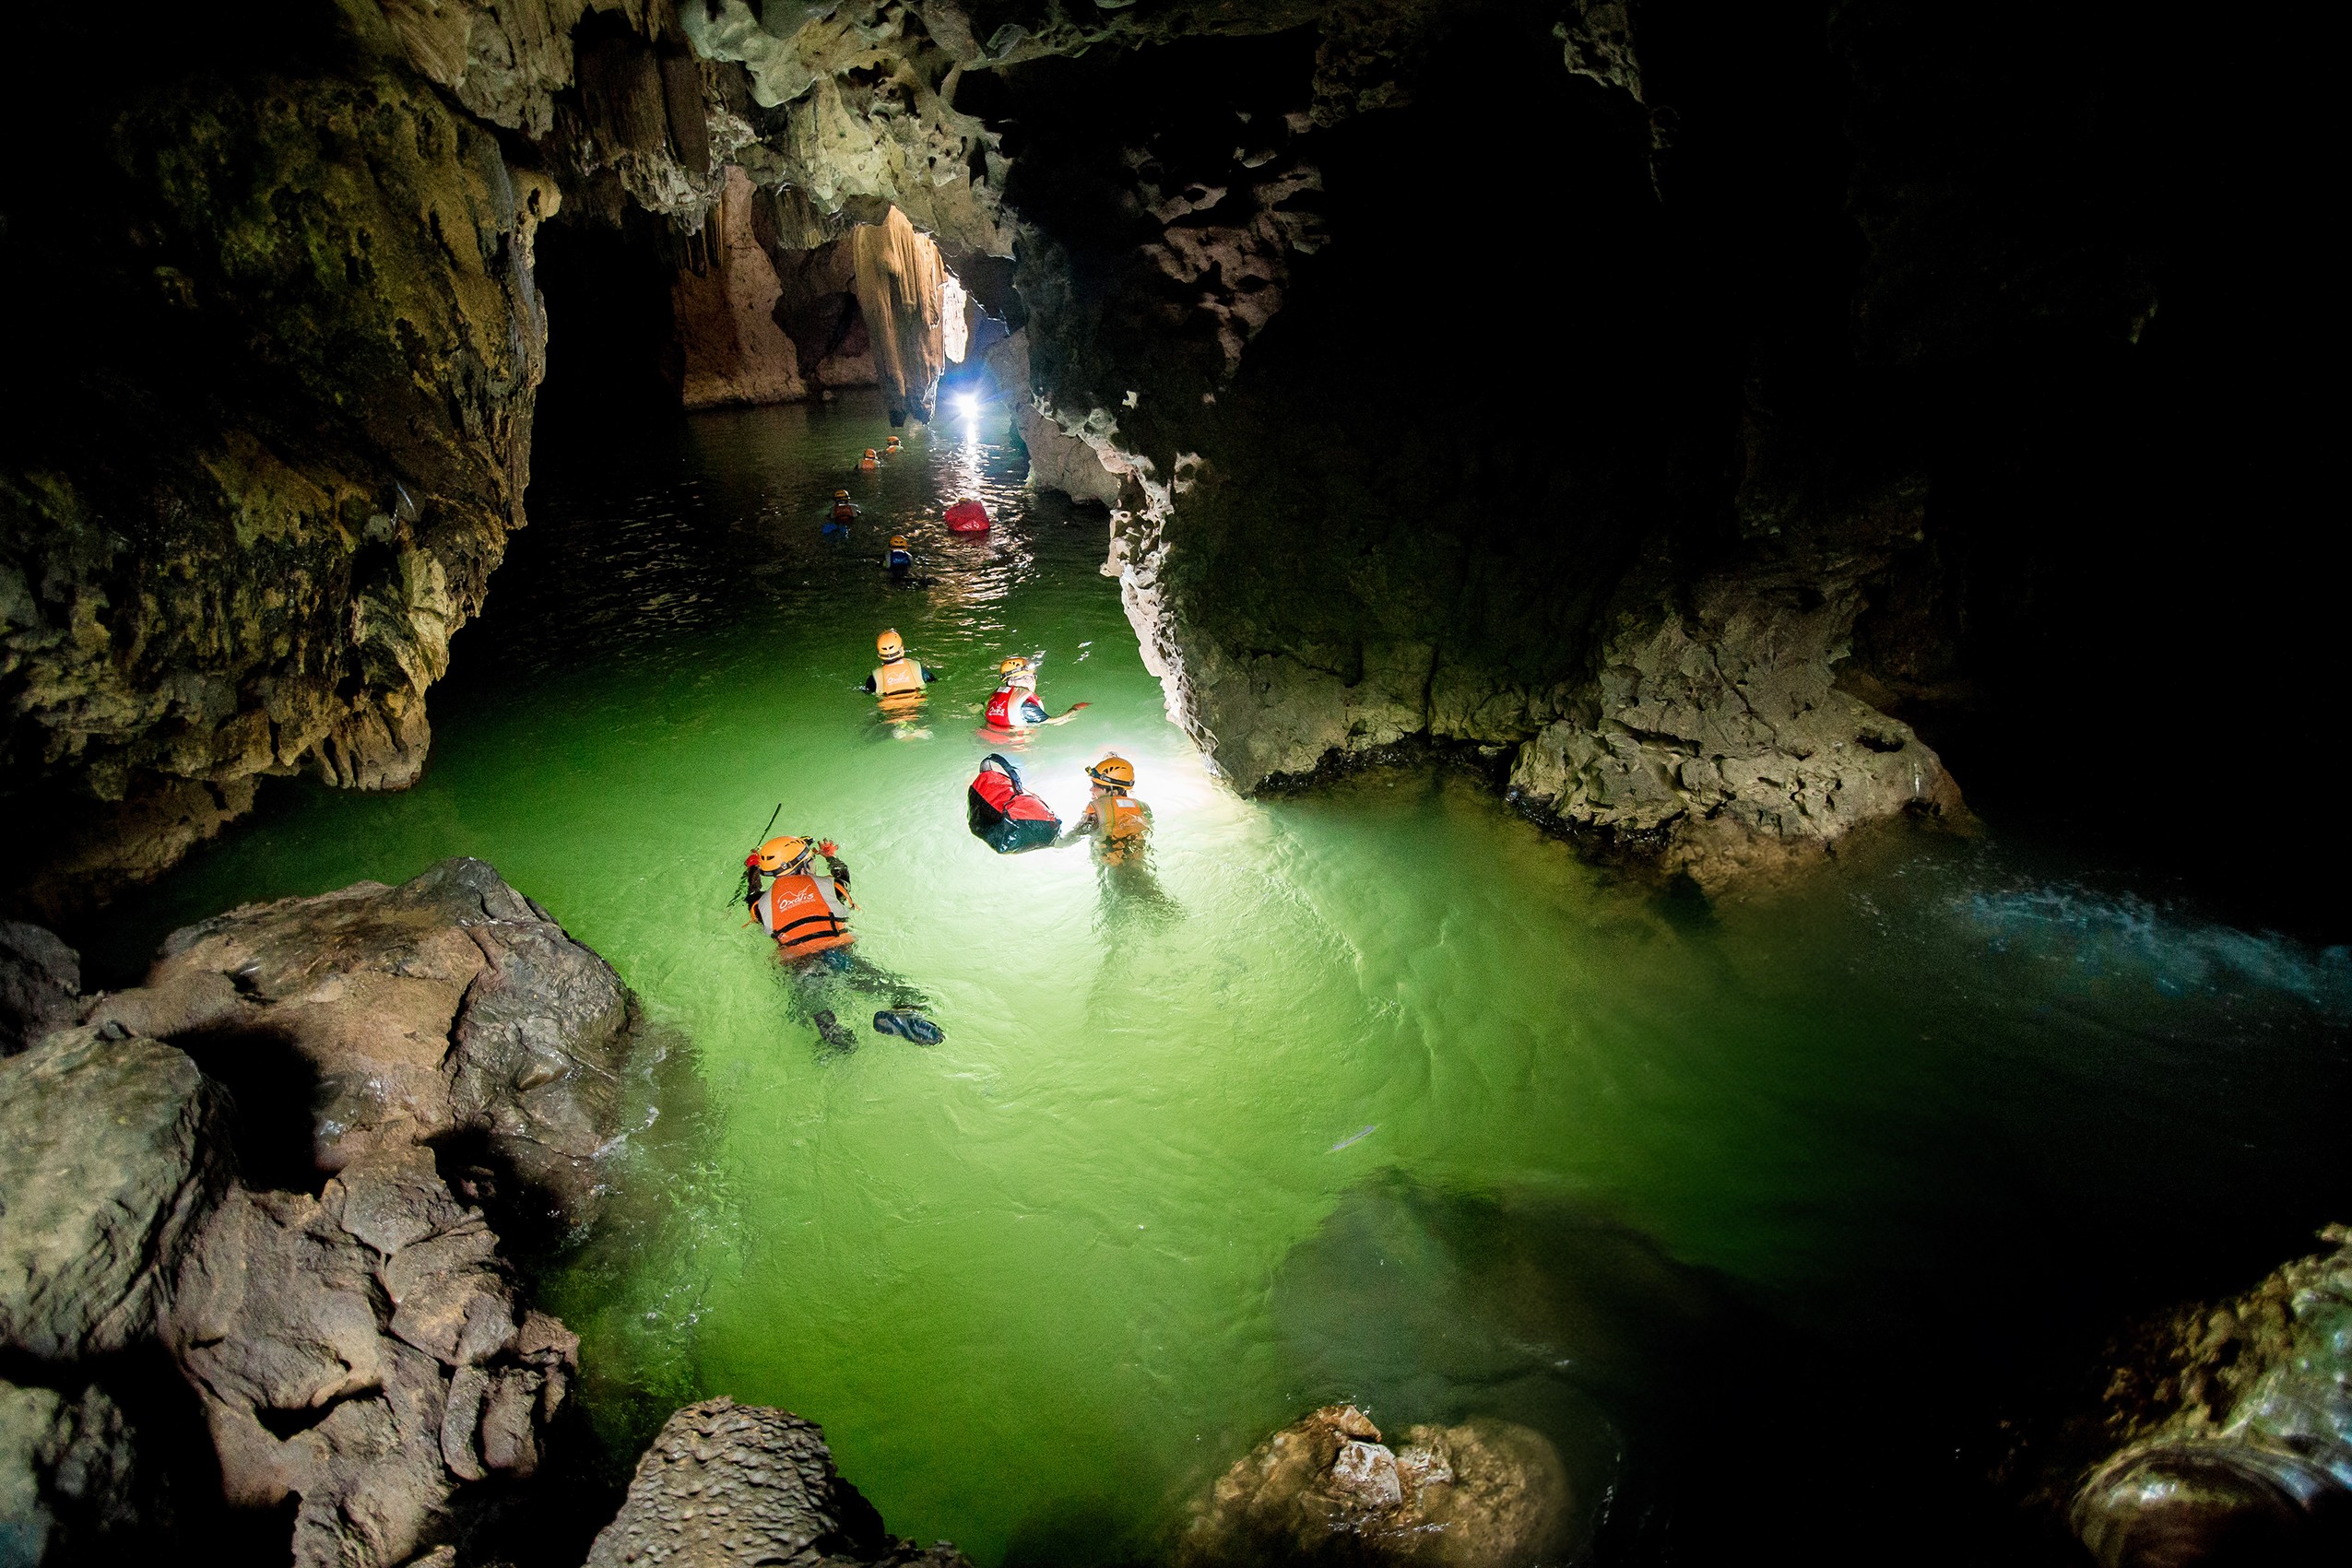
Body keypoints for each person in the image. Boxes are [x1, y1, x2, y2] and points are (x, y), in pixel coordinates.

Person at [742, 834, 936, 1047]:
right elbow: (843, 874)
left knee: (815, 1010)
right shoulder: (831, 885)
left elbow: (752, 892)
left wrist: (752, 867)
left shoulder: (760, 905)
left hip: (799, 967)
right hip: (837, 957)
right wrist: (831, 856)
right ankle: (905, 1012)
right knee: (906, 992)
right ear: (804, 866)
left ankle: (833, 1035)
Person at [1058, 753, 1152, 866]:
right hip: (1138, 861)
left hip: (1111, 861)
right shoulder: (1143, 807)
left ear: (1114, 792)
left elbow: (1075, 835)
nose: (1091, 789)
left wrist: (1057, 843)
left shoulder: (1097, 809)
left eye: (1096, 785)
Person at [983, 655, 1085, 731]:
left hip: (987, 740)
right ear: (1011, 682)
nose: (1031, 681)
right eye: (1025, 678)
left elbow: (978, 708)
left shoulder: (994, 696)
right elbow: (1057, 721)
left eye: (1032, 677)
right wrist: (1075, 709)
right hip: (1017, 748)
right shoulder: (1027, 707)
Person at [865, 629, 940, 699]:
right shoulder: (917, 668)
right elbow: (933, 680)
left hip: (889, 708)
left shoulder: (874, 678)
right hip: (916, 704)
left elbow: (867, 691)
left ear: (879, 655)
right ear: (902, 650)